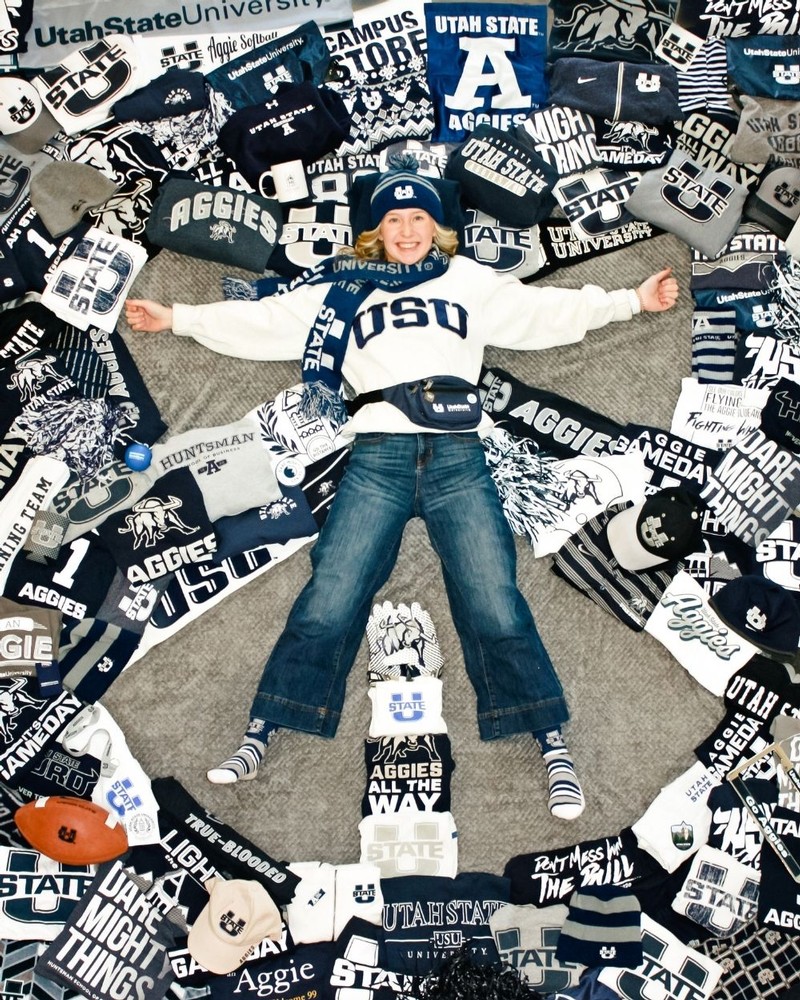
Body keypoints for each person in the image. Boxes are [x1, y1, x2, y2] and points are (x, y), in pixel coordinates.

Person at [125, 164, 679, 821]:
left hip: (458, 456)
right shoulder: (341, 288)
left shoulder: (466, 279)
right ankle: (264, 729)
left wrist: (629, 302)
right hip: (378, 455)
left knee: (493, 596)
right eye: (394, 220)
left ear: (437, 227)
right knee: (332, 589)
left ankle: (550, 743)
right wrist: (179, 317)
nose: (408, 230)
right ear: (375, 231)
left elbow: (541, 314)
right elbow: (267, 320)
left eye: (419, 218)